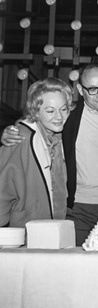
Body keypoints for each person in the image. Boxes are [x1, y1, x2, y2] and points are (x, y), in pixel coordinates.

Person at [1, 63, 98, 245]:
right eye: (92, 89)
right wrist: (11, 130)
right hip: (79, 210)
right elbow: (39, 120)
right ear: (80, 89)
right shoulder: (72, 116)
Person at [0, 77, 73, 227]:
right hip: (26, 231)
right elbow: (3, 190)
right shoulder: (20, 137)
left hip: (55, 228)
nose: (59, 117)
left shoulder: (59, 138)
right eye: (50, 111)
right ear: (36, 112)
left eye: (64, 109)